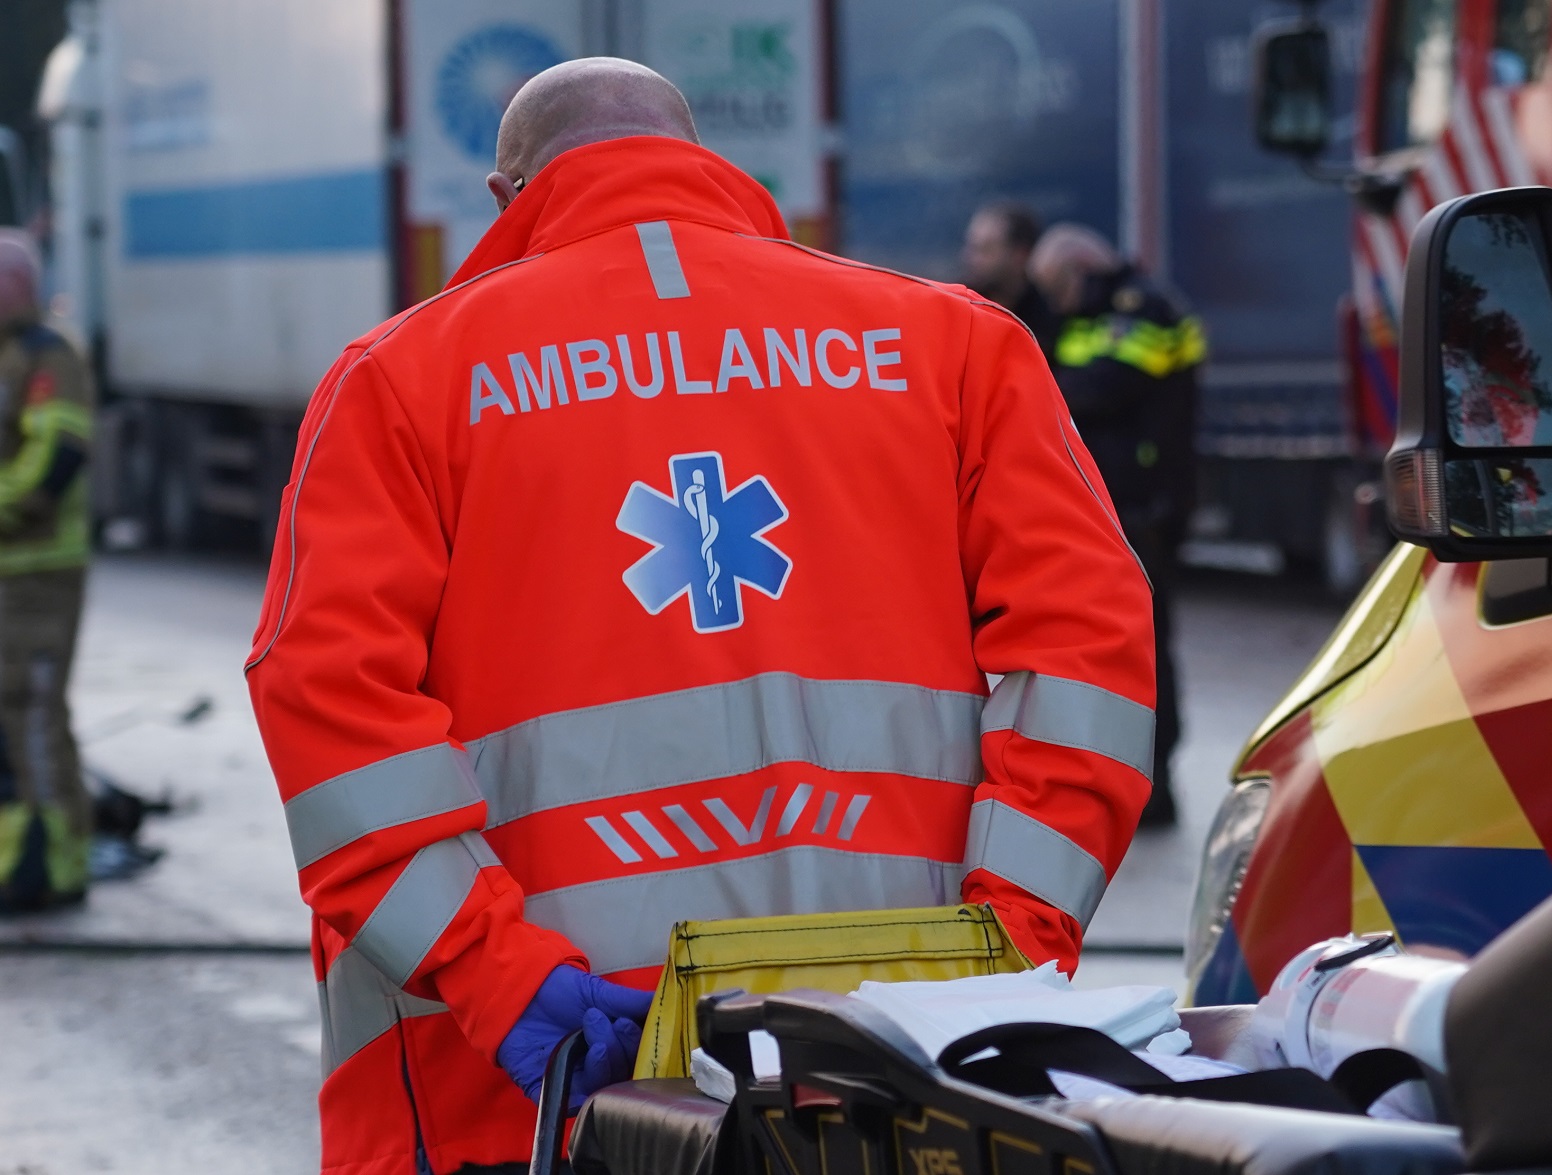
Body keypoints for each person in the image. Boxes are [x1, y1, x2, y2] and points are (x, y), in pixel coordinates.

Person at [246, 59, 1154, 1175]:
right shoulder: (954, 347)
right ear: (709, 166)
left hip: (543, 1084)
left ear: (506, 194)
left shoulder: (402, 382)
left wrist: (498, 973)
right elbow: (1090, 655)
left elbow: (327, 709)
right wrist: (1014, 939)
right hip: (888, 1077)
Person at [1029, 224, 1203, 829]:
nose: (1057, 303)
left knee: (1147, 651)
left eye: (1057, 288)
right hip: (1114, 512)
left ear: (1081, 271)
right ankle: (1122, 781)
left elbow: (1101, 389)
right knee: (1110, 649)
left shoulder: (1144, 310)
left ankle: (1156, 789)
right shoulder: (1087, 316)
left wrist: (1035, 389)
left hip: (1146, 512)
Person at [0, 230, 93, 914]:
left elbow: (54, 459)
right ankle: (26, 856)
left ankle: (51, 866)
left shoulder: (47, 356)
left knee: (32, 717)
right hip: (14, 570)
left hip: (38, 572)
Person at [961, 201, 1060, 353]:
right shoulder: (960, 308)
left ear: (1021, 254)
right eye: (972, 248)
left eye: (986, 250)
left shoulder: (1052, 315)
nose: (972, 259)